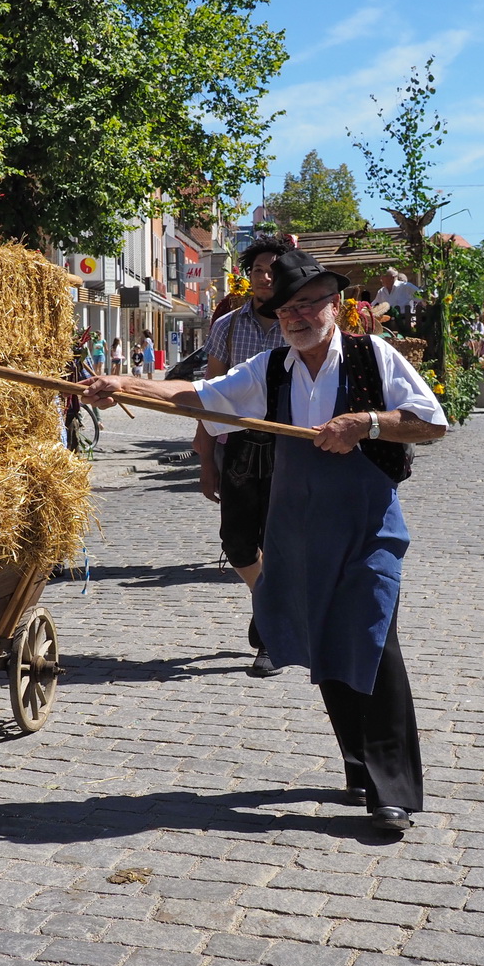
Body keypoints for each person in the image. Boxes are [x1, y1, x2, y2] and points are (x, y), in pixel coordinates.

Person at [81, 251, 447, 831]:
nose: (298, 316)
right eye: (287, 309)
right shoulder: (271, 369)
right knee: (327, 646)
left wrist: (366, 424)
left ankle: (391, 790)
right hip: (297, 534)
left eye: (309, 304)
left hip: (367, 530)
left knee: (374, 640)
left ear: (335, 306)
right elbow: (199, 396)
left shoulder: (371, 356)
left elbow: (431, 423)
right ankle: (360, 763)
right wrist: (124, 384)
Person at [193, 234, 291, 674]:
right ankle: (269, 601)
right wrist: (204, 458)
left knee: (279, 541)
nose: (265, 278)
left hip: (292, 448)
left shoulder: (302, 322)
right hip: (239, 449)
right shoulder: (227, 326)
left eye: (273, 270)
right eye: (256, 271)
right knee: (236, 541)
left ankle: (270, 633)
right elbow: (208, 396)